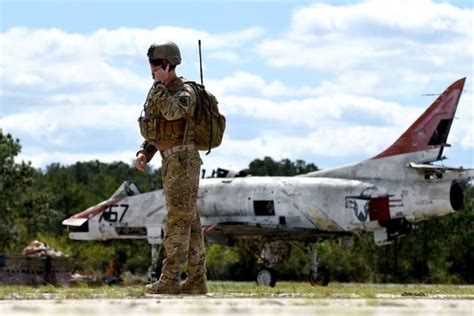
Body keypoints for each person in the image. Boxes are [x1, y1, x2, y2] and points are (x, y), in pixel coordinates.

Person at [135, 41, 207, 295]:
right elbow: (160, 129)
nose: (151, 70)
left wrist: (158, 90)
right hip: (170, 161)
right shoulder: (161, 90)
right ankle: (197, 279)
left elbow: (175, 113)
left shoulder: (184, 91)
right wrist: (146, 151)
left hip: (183, 162)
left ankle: (170, 279)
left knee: (177, 219)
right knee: (190, 221)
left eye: (155, 65)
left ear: (167, 64)